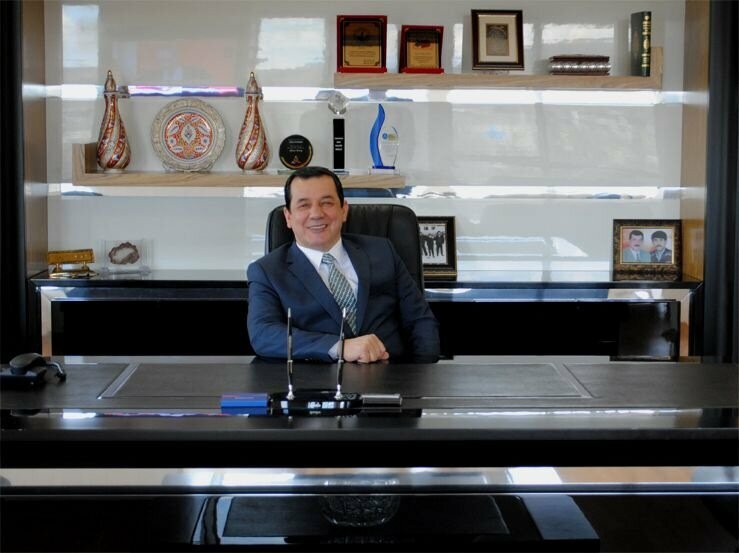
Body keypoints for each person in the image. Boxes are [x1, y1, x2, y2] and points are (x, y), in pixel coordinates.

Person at [247, 166, 440, 364]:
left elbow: (420, 321)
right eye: (304, 205)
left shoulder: (383, 251)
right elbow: (263, 334)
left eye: (327, 203)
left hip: (392, 374)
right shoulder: (267, 271)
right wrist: (339, 347)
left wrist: (423, 374)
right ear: (288, 217)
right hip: (318, 379)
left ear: (344, 210)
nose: (316, 214)